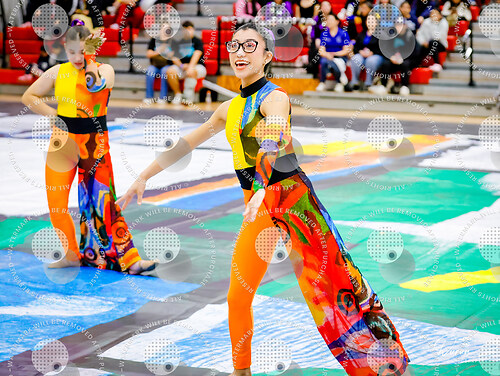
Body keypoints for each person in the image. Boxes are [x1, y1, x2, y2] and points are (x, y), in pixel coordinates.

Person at [117, 20, 411, 376]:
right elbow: (185, 144)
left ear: (267, 56)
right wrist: (143, 177)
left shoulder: (275, 97)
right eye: (234, 45)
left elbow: (273, 138)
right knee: (237, 296)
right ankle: (241, 371)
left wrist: (260, 188)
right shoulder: (228, 108)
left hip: (294, 204)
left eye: (249, 46)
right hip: (258, 209)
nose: (239, 52)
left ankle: (389, 366)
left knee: (337, 291)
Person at [21, 22, 156, 275]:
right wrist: (52, 115)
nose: (77, 58)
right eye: (72, 52)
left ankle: (130, 260)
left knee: (103, 202)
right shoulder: (57, 71)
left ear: (92, 49)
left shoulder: (105, 70)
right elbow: (28, 96)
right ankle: (71, 255)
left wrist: (90, 58)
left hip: (94, 143)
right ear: (65, 49)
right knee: (56, 205)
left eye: (83, 51)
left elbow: (94, 85)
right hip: (62, 142)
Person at [368, 22, 416, 95]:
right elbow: (385, 49)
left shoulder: (410, 37)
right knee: (385, 64)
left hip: (405, 60)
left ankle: (405, 86)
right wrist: (391, 57)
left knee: (405, 65)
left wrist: (403, 58)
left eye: (401, 25)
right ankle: (383, 86)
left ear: (405, 26)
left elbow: (415, 53)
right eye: (397, 26)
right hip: (392, 60)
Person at [166, 20, 206, 104]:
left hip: (197, 66)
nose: (188, 31)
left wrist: (190, 67)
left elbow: (197, 55)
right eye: (186, 29)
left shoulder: (197, 41)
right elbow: (174, 57)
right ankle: (178, 94)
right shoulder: (178, 42)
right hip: (182, 66)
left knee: (191, 72)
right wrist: (181, 66)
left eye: (190, 29)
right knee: (170, 71)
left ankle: (187, 98)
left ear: (193, 30)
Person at [315, 13, 352, 93]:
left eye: (331, 19)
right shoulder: (324, 34)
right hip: (327, 56)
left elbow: (346, 50)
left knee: (335, 63)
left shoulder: (343, 33)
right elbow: (321, 50)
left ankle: (339, 82)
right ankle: (323, 82)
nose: (329, 21)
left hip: (340, 56)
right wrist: (327, 55)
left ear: (337, 21)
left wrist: (334, 54)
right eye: (327, 20)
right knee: (323, 61)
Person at [348, 13, 384, 90]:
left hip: (376, 55)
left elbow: (382, 49)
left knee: (370, 61)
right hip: (362, 54)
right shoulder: (362, 33)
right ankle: (355, 82)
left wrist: (372, 52)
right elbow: (356, 47)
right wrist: (360, 52)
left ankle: (368, 83)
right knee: (355, 58)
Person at [144, 37, 173, 103]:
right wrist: (159, 51)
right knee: (150, 71)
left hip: (167, 65)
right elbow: (148, 54)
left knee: (164, 71)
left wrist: (168, 54)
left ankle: (163, 97)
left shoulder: (172, 40)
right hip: (155, 65)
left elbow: (174, 55)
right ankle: (149, 97)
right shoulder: (154, 40)